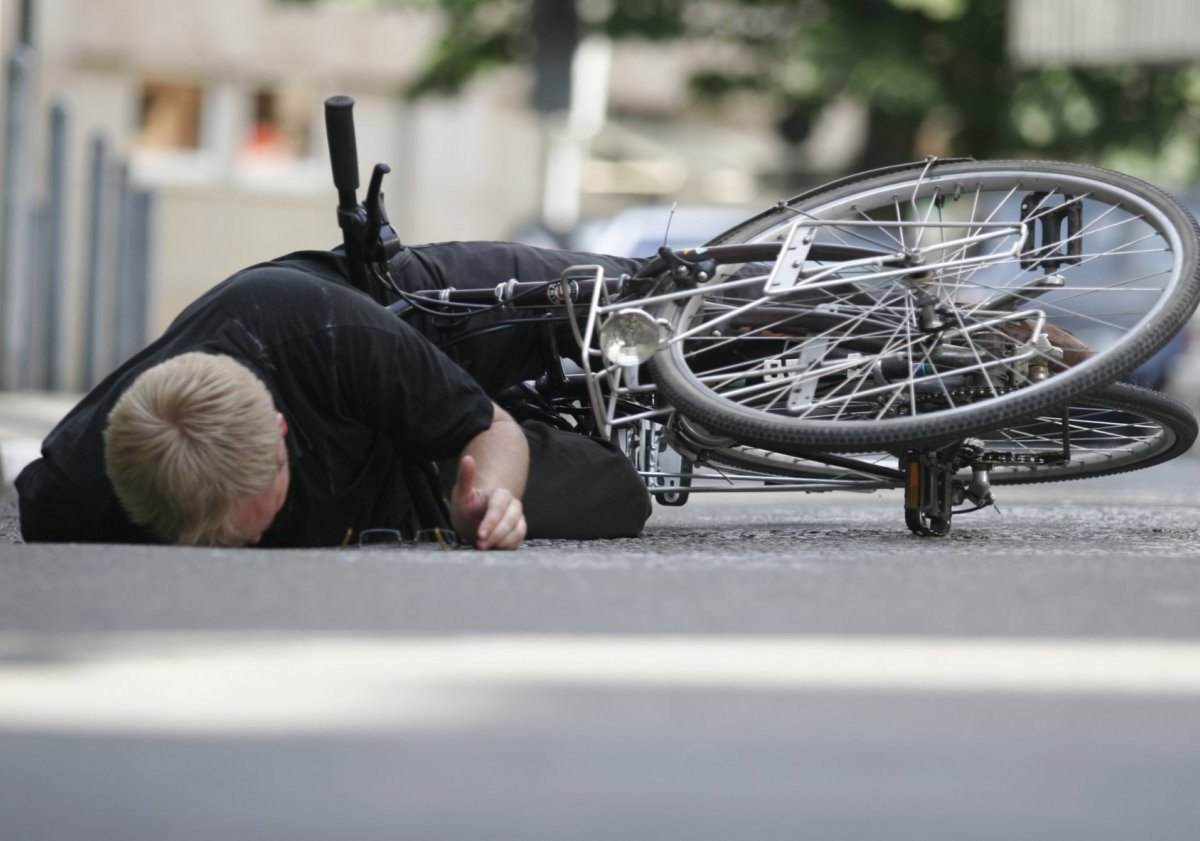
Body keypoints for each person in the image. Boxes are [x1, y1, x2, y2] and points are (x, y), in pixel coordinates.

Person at [16, 241, 653, 549]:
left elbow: (491, 429)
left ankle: (745, 312)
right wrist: (489, 505)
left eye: (251, 518)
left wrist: (495, 462)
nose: (245, 548)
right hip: (391, 475)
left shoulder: (324, 327)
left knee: (628, 300)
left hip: (409, 317)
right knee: (618, 495)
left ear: (280, 429)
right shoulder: (74, 497)